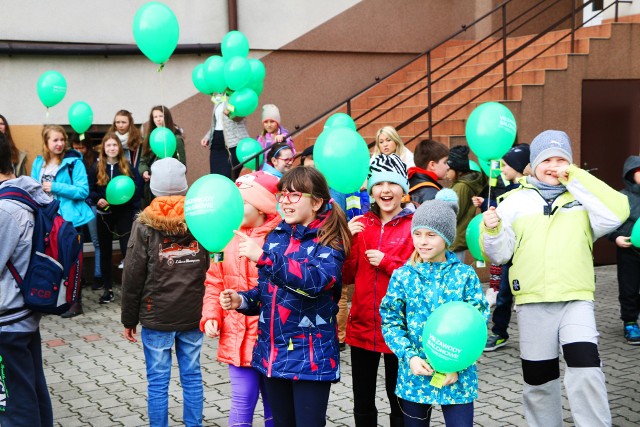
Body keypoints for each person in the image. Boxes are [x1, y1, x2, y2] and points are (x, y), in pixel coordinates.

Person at [481, 130, 629, 427]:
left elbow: (618, 211)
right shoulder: (513, 201)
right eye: (547, 159)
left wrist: (575, 176)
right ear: (533, 164)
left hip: (576, 300)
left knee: (586, 370)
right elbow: (500, 254)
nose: (554, 165)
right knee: (539, 382)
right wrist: (493, 230)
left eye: (561, 159)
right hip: (533, 303)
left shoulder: (584, 198)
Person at [218, 166, 351, 427]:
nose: (285, 202)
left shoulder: (329, 240)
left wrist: (264, 258)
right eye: (282, 195)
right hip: (272, 353)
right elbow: (268, 291)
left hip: (310, 358)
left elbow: (315, 283)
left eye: (294, 195)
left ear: (316, 202)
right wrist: (242, 300)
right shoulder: (277, 235)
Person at [380, 189, 489, 427]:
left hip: (457, 376)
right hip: (415, 375)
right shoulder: (403, 276)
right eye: (417, 234)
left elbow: (477, 321)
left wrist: (457, 365)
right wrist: (408, 357)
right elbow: (390, 321)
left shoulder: (464, 275)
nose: (423, 241)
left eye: (431, 235)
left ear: (447, 238)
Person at [121, 157, 209, 427]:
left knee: (158, 381)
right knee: (192, 376)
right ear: (184, 185)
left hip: (155, 314)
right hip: (193, 313)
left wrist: (129, 319)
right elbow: (208, 265)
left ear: (154, 188)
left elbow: (133, 274)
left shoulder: (145, 224)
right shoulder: (199, 219)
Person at [201, 171, 280, 426]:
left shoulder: (278, 237)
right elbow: (215, 281)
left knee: (275, 403)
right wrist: (211, 315)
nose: (235, 207)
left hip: (271, 338)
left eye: (242, 202)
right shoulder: (225, 237)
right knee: (241, 400)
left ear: (261, 207)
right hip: (236, 335)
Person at [343, 154, 414, 427]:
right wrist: (347, 243)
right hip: (362, 325)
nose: (386, 190)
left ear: (403, 189)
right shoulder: (360, 224)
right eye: (379, 183)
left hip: (399, 329)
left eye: (393, 183)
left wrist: (387, 262)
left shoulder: (414, 226)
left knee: (398, 398)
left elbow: (416, 276)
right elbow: (347, 276)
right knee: (362, 400)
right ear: (371, 189)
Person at [0, 132, 53, 427]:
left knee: (12, 410)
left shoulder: (4, 209)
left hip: (7, 323)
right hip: (23, 315)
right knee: (32, 395)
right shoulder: (27, 193)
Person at [300, 144, 370, 350]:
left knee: (338, 291)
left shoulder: (333, 191)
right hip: (342, 237)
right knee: (338, 290)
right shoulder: (344, 187)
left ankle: (338, 336)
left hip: (336, 240)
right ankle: (339, 335)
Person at [31, 125, 94, 318]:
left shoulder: (74, 162)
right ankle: (51, 299)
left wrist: (55, 186)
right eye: (54, 140)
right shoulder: (39, 162)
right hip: (47, 219)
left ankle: (75, 302)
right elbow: (33, 187)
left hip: (70, 220)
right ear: (46, 143)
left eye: (61, 140)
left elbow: (83, 191)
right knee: (51, 258)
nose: (59, 144)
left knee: (72, 259)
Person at [482, 143, 530, 351]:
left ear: (518, 167)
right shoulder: (507, 192)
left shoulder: (528, 192)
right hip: (509, 255)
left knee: (526, 300)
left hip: (527, 255)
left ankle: (535, 337)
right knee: (503, 296)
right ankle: (499, 333)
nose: (502, 169)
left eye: (505, 165)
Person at [88, 133, 141, 304]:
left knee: (128, 250)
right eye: (108, 145)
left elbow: (136, 192)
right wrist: (98, 200)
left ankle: (130, 290)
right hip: (104, 215)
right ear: (103, 148)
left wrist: (134, 212)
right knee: (105, 252)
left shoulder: (128, 168)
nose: (111, 148)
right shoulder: (96, 168)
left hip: (124, 214)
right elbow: (90, 190)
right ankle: (108, 289)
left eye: (114, 145)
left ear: (119, 148)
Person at [606, 155, 640, 344]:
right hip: (629, 251)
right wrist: (616, 237)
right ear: (629, 174)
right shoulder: (621, 197)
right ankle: (630, 322)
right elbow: (609, 223)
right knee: (629, 288)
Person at [70, 133, 103, 291]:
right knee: (77, 244)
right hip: (75, 207)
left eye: (81, 147)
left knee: (96, 242)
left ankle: (97, 276)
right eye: (75, 148)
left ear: (88, 148)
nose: (79, 150)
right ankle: (79, 277)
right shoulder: (71, 161)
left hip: (91, 206)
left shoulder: (95, 161)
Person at [139, 105, 187, 208]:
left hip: (169, 189)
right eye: (155, 117)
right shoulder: (149, 138)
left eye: (161, 116)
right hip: (151, 187)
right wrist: (144, 171)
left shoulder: (176, 139)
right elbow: (143, 161)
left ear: (167, 117)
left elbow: (182, 165)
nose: (158, 119)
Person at [446, 145, 487, 262]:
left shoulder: (461, 187)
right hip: (457, 238)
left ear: (458, 170)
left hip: (454, 240)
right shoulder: (462, 184)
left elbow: (455, 214)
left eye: (449, 170)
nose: (446, 173)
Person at [200, 93, 250, 179]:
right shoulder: (219, 97)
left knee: (229, 176)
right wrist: (207, 136)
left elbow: (239, 117)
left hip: (233, 143)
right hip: (216, 142)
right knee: (216, 177)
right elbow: (217, 122)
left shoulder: (238, 95)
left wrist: (230, 114)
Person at [407, 139, 450, 205]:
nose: (448, 167)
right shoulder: (432, 194)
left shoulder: (409, 183)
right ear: (432, 165)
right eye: (445, 162)